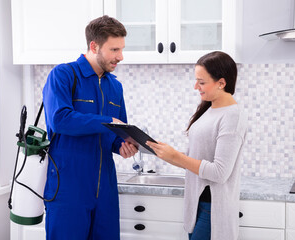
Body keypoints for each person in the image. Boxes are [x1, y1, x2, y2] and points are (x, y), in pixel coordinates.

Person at [42, 15, 138, 240]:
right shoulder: (64, 75)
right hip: (68, 189)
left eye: (122, 49)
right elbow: (60, 119)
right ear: (94, 46)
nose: (120, 57)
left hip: (105, 190)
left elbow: (117, 132)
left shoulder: (115, 86)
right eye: (114, 49)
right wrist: (107, 122)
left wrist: (122, 145)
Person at [146, 51, 247, 240]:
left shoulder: (233, 116)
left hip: (213, 209)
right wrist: (166, 153)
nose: (196, 87)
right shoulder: (210, 109)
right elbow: (197, 157)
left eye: (201, 82)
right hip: (198, 204)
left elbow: (219, 172)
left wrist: (176, 156)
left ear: (221, 83)